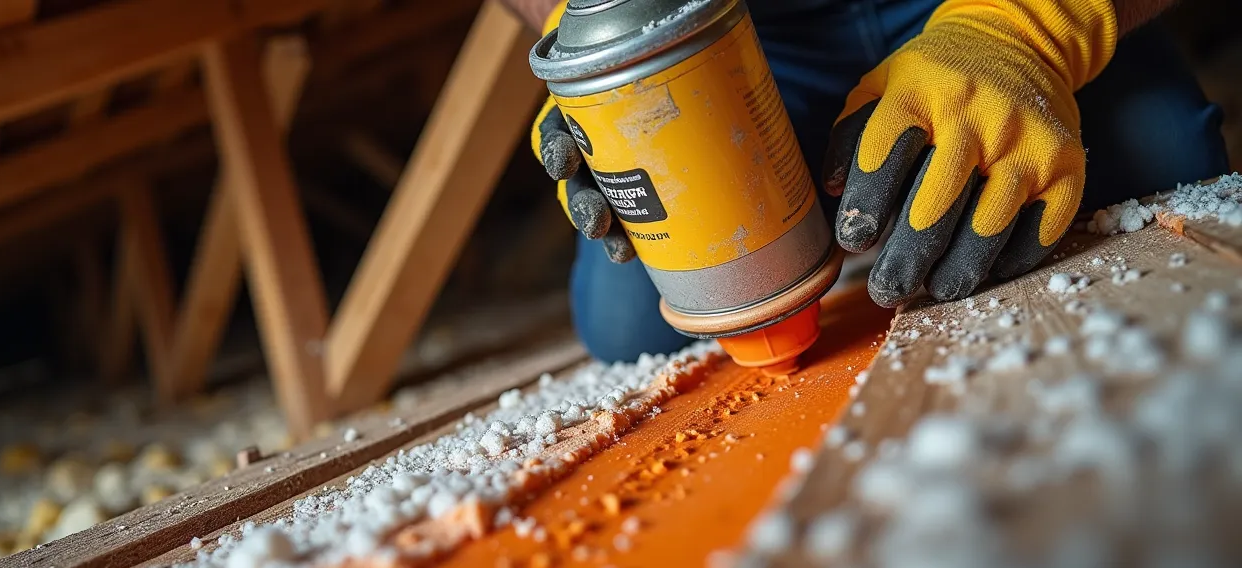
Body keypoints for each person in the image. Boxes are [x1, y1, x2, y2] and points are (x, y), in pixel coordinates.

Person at [509, 0, 1230, 363]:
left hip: (974, 10)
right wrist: (603, 62)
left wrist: (1028, 30)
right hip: (733, 33)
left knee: (1165, 164)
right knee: (632, 326)